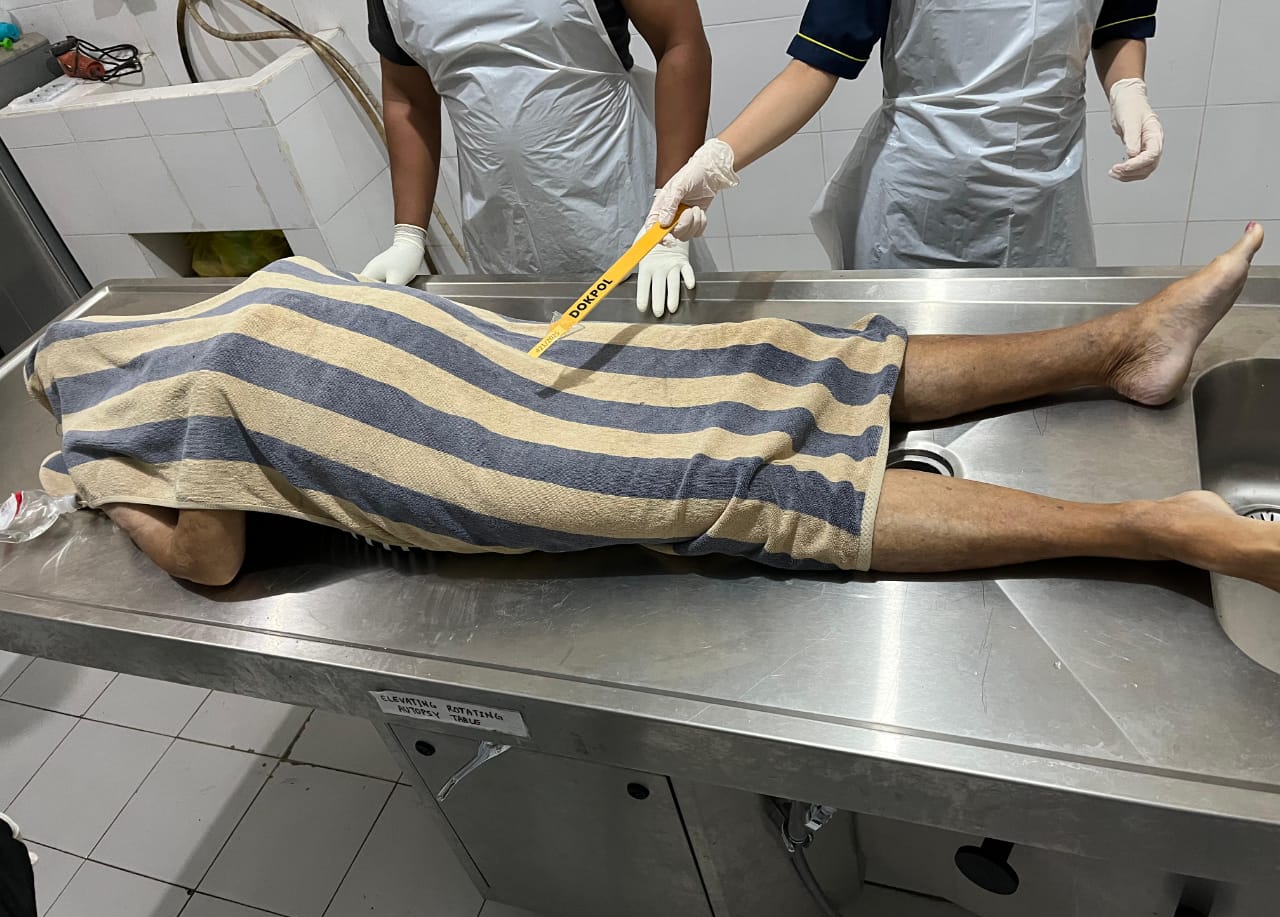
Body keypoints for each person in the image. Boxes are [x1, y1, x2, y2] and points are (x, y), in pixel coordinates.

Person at [23, 225, 1274, 597]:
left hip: (471, 421)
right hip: (484, 374)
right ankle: (1120, 380)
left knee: (737, 468)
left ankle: (1138, 484)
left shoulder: (120, 415)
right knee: (765, 370)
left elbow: (208, 555)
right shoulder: (229, 303)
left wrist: (103, 490)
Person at [648, 0, 1164, 304]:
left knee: (1041, 372)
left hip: (1046, 200)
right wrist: (714, 162)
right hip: (919, 204)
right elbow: (813, 67)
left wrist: (1128, 88)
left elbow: (1118, 27)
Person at [360, 0, 715, 317]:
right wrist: (408, 234)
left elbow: (680, 40)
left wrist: (669, 216)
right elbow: (408, 96)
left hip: (623, 204)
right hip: (501, 229)